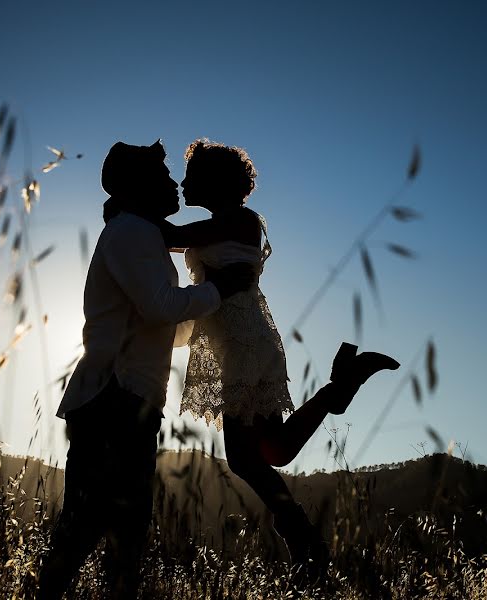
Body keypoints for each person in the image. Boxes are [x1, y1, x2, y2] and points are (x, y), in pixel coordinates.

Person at [161, 138, 399, 575]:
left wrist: (124, 211)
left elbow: (170, 236)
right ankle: (340, 387)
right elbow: (177, 240)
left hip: (246, 347)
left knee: (248, 458)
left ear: (214, 183)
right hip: (244, 345)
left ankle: (305, 541)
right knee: (273, 451)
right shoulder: (225, 221)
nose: (182, 183)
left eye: (191, 176)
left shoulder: (240, 220)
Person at [37, 140, 253, 600]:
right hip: (115, 398)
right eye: (163, 176)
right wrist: (217, 290)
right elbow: (160, 307)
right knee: (98, 533)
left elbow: (166, 325)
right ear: (138, 186)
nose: (175, 183)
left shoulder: (138, 233)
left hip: (128, 400)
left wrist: (199, 308)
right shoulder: (133, 231)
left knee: (113, 533)